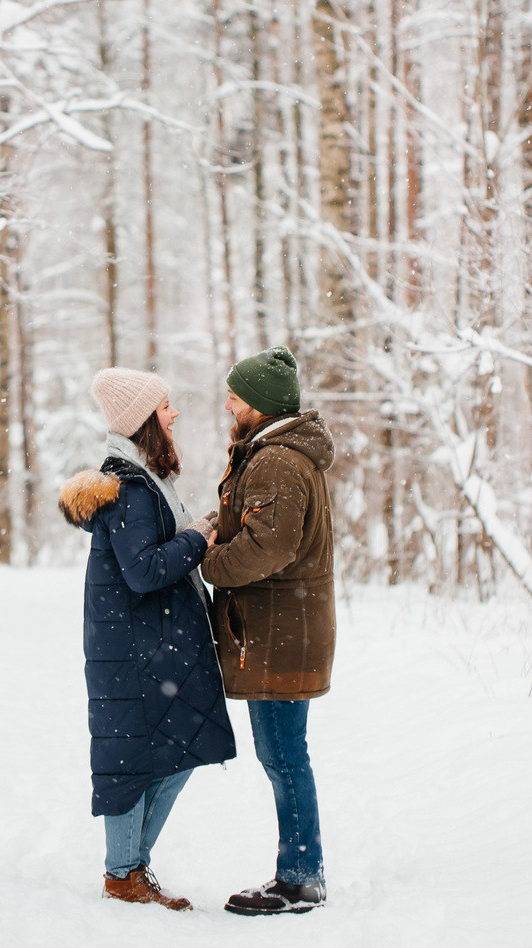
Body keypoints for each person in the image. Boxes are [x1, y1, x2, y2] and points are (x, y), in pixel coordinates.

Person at [59, 367, 235, 911]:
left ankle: (131, 867)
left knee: (172, 755)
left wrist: (197, 529)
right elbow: (143, 570)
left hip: (150, 648)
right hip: (137, 653)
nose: (174, 414)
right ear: (143, 422)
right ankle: (122, 874)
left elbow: (157, 547)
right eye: (165, 407)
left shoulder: (142, 480)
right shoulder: (131, 488)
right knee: (133, 762)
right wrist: (198, 540)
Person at [200, 345, 335, 916]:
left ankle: (301, 878)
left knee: (283, 754)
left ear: (258, 403)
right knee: (283, 752)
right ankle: (301, 870)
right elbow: (250, 521)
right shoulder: (270, 453)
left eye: (235, 394)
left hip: (281, 630)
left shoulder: (277, 460)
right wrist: (212, 526)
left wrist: (205, 564)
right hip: (281, 627)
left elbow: (268, 546)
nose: (227, 402)